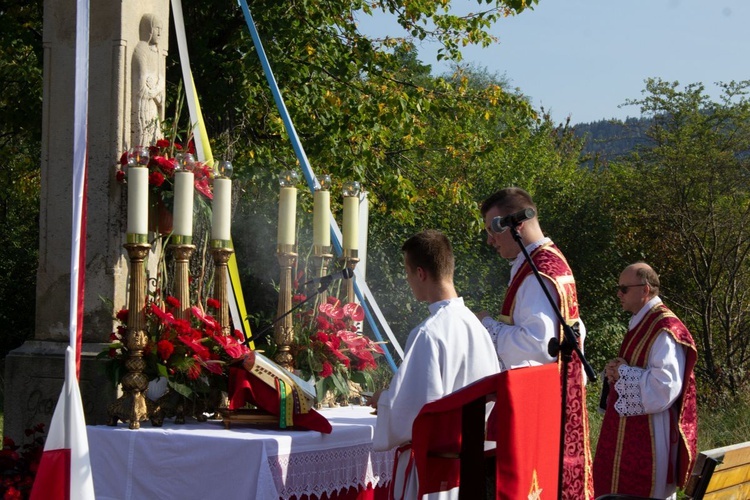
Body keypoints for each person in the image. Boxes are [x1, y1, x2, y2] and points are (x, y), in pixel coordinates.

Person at [476, 187, 593, 499]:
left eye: (492, 229)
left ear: (516, 224)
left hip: (538, 403)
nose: (490, 239)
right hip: (555, 394)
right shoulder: (551, 261)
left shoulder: (538, 272)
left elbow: (538, 344)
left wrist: (486, 324)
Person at [370, 230, 500, 500]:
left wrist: (383, 399)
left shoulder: (428, 333)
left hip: (435, 470)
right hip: (471, 465)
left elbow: (414, 412)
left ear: (420, 273)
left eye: (407, 274)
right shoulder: (477, 326)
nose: (408, 282)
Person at [593, 262, 698, 499]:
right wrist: (615, 373)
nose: (618, 294)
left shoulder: (663, 327)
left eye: (624, 288)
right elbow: (634, 371)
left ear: (645, 289)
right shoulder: (642, 322)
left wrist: (624, 374)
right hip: (630, 430)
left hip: (652, 432)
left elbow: (666, 387)